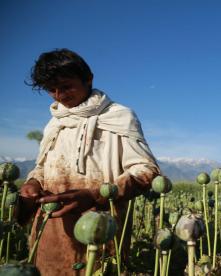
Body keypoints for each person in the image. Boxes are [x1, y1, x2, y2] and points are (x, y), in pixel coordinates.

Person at [19, 48, 160, 275]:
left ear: (88, 78)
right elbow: (42, 167)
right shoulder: (55, 123)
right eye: (51, 90)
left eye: (66, 86)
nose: (59, 95)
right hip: (52, 229)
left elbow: (147, 171)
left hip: (101, 228)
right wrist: (33, 182)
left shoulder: (119, 116)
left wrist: (96, 195)